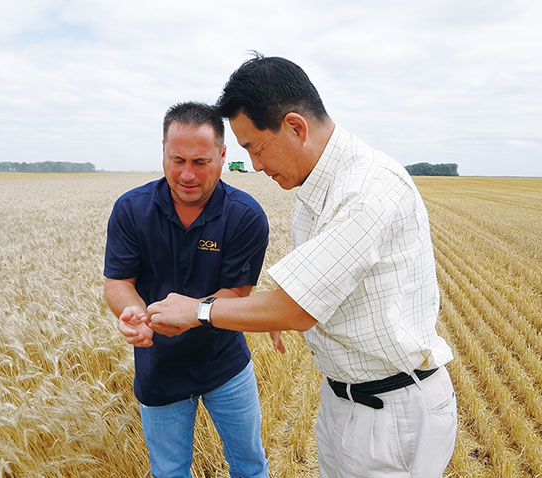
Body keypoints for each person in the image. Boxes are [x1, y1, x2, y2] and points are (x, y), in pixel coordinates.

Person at [145, 55, 458, 477]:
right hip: (347, 401)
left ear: (295, 127)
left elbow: (297, 308)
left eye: (255, 147)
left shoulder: (367, 189)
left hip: (393, 411)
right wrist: (274, 307)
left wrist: (198, 310)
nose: (254, 165)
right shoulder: (316, 190)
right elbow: (310, 289)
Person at [103, 101, 270, 478]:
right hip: (159, 367)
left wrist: (192, 315)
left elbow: (236, 294)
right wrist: (131, 312)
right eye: (177, 160)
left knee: (250, 465)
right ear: (163, 151)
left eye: (200, 162)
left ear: (223, 156)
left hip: (225, 364)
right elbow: (118, 282)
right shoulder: (131, 210)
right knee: (169, 472)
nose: (187, 174)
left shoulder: (245, 216)